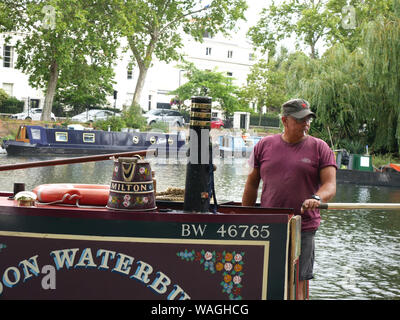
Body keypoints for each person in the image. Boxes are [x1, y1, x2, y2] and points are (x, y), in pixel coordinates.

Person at [242, 98, 337, 300]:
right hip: (269, 226)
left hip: (303, 227)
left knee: (297, 285)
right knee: (265, 280)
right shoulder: (264, 145)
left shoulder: (320, 147)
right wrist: (245, 217)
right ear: (285, 121)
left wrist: (317, 197)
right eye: (301, 120)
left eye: (308, 119)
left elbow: (330, 185)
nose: (306, 124)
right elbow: (251, 183)